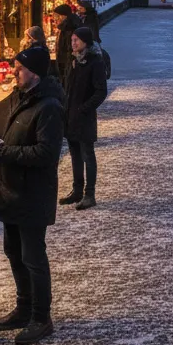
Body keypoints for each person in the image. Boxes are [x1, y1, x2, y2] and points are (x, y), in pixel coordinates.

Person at [0, 45, 65, 345]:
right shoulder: (21, 98)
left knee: (33, 257)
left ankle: (41, 318)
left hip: (32, 194)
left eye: (19, 67)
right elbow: (18, 140)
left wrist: (3, 151)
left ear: (34, 71)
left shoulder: (49, 107)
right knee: (15, 254)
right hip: (12, 191)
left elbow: (46, 153)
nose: (14, 71)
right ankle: (23, 308)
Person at [60, 26, 108, 210]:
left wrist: (84, 108)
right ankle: (77, 190)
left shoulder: (95, 62)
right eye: (72, 40)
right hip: (71, 115)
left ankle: (90, 194)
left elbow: (101, 91)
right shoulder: (76, 61)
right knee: (75, 155)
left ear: (85, 42)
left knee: (88, 155)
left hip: (84, 117)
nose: (73, 43)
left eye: (76, 40)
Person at [53, 4, 82, 83]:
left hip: (68, 67)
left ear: (63, 16)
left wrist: (68, 69)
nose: (55, 19)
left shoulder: (69, 29)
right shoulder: (64, 28)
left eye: (56, 16)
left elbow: (71, 51)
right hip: (66, 66)